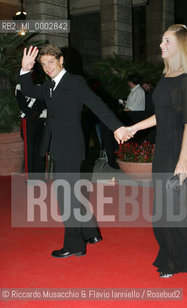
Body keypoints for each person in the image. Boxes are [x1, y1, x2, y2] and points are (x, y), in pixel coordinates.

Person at [19, 44, 132, 259]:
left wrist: (116, 126)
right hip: (58, 146)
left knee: (65, 195)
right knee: (70, 192)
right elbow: (28, 91)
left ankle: (74, 244)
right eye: (43, 65)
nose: (47, 67)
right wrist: (25, 70)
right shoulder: (49, 85)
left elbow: (97, 104)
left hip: (70, 147)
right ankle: (91, 232)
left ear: (61, 60)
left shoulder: (74, 82)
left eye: (51, 62)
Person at [128, 24, 187, 286]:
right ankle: (171, 259)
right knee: (161, 214)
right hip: (162, 152)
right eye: (161, 40)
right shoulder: (166, 77)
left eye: (167, 41)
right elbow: (161, 116)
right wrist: (134, 127)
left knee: (175, 214)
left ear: (181, 45)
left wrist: (183, 159)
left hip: (175, 153)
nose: (161, 45)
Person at [15, 84, 46, 180]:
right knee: (30, 150)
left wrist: (42, 113)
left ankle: (40, 177)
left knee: (40, 148)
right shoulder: (20, 87)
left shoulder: (39, 86)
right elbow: (23, 106)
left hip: (40, 121)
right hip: (28, 122)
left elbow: (43, 102)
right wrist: (37, 114)